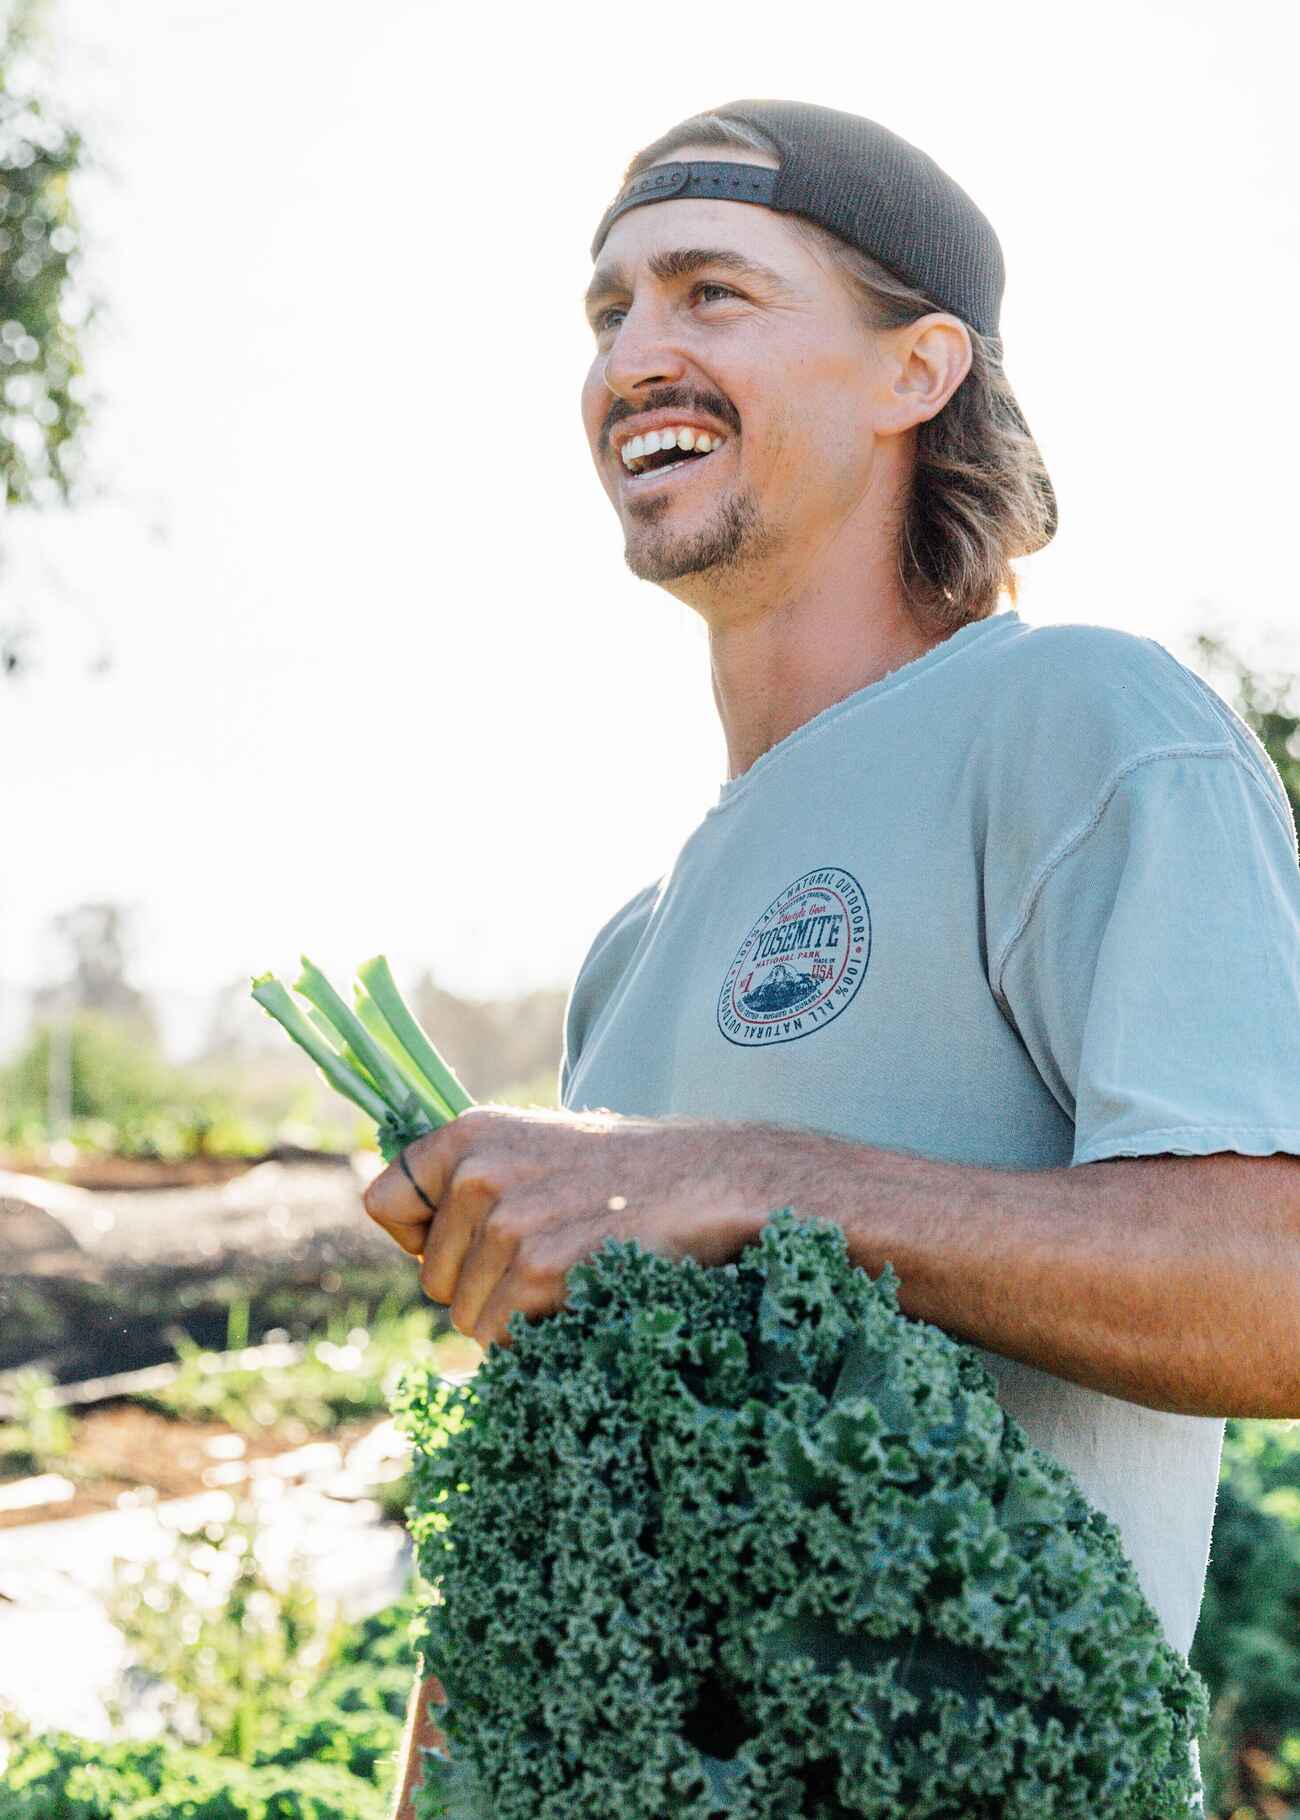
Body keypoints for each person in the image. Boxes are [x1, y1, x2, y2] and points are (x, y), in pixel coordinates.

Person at [367, 100, 1300, 1820]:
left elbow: (1278, 1290)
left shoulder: (1083, 726)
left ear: (916, 369)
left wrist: (748, 1176)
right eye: (608, 313)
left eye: (712, 293)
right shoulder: (631, 952)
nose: (636, 354)